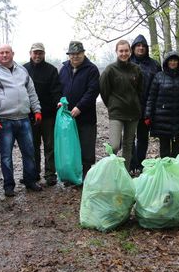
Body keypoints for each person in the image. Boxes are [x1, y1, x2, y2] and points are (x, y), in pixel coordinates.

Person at [0, 44, 43, 197]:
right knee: (6, 156)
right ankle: (9, 185)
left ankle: (30, 181)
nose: (4, 55)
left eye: (7, 52)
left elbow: (31, 91)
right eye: (1, 53)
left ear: (12, 54)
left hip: (24, 119)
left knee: (29, 152)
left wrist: (37, 110)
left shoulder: (23, 71)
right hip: (4, 120)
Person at [59, 41, 100, 178]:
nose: (75, 57)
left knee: (86, 146)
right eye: (72, 54)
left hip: (86, 116)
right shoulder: (64, 69)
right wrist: (60, 102)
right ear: (69, 55)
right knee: (70, 147)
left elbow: (92, 91)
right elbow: (59, 88)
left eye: (78, 54)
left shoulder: (92, 69)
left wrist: (80, 107)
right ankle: (71, 175)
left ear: (83, 53)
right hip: (67, 116)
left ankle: (85, 175)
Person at [100, 40, 143, 171]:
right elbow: (104, 91)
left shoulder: (136, 69)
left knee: (128, 145)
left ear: (130, 52)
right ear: (117, 52)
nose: (124, 53)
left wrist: (136, 103)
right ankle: (110, 169)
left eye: (126, 51)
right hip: (116, 113)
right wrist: (112, 105)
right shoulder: (110, 70)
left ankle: (124, 172)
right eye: (121, 51)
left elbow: (140, 90)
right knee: (114, 145)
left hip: (133, 113)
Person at [23, 42, 62, 186]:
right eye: (35, 53)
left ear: (44, 54)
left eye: (40, 53)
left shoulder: (51, 70)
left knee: (49, 145)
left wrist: (58, 103)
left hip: (48, 114)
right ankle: (33, 173)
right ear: (30, 53)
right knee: (32, 146)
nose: (37, 55)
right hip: (29, 115)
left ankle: (50, 174)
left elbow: (56, 89)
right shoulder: (23, 69)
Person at [145, 51, 179, 158]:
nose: (173, 63)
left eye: (175, 60)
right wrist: (148, 115)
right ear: (167, 63)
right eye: (170, 60)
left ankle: (175, 170)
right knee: (164, 147)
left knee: (177, 147)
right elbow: (151, 97)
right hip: (161, 118)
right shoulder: (158, 77)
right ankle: (165, 170)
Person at [129, 34, 161, 172]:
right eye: (138, 45)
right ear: (133, 48)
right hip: (129, 108)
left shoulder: (154, 65)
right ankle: (131, 163)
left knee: (143, 138)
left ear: (146, 48)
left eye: (143, 46)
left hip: (147, 107)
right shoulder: (126, 62)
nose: (140, 48)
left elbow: (160, 86)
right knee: (129, 138)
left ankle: (140, 164)